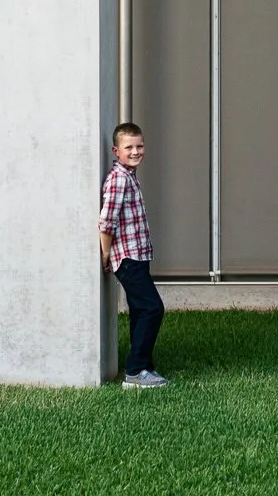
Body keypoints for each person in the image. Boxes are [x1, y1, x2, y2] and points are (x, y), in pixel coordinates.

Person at [99, 122, 168, 389]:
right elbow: (107, 221)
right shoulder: (118, 179)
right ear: (116, 150)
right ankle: (135, 371)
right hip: (127, 259)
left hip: (138, 256)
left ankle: (144, 366)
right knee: (152, 308)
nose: (135, 151)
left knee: (141, 310)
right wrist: (106, 254)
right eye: (129, 147)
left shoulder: (129, 176)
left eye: (139, 146)